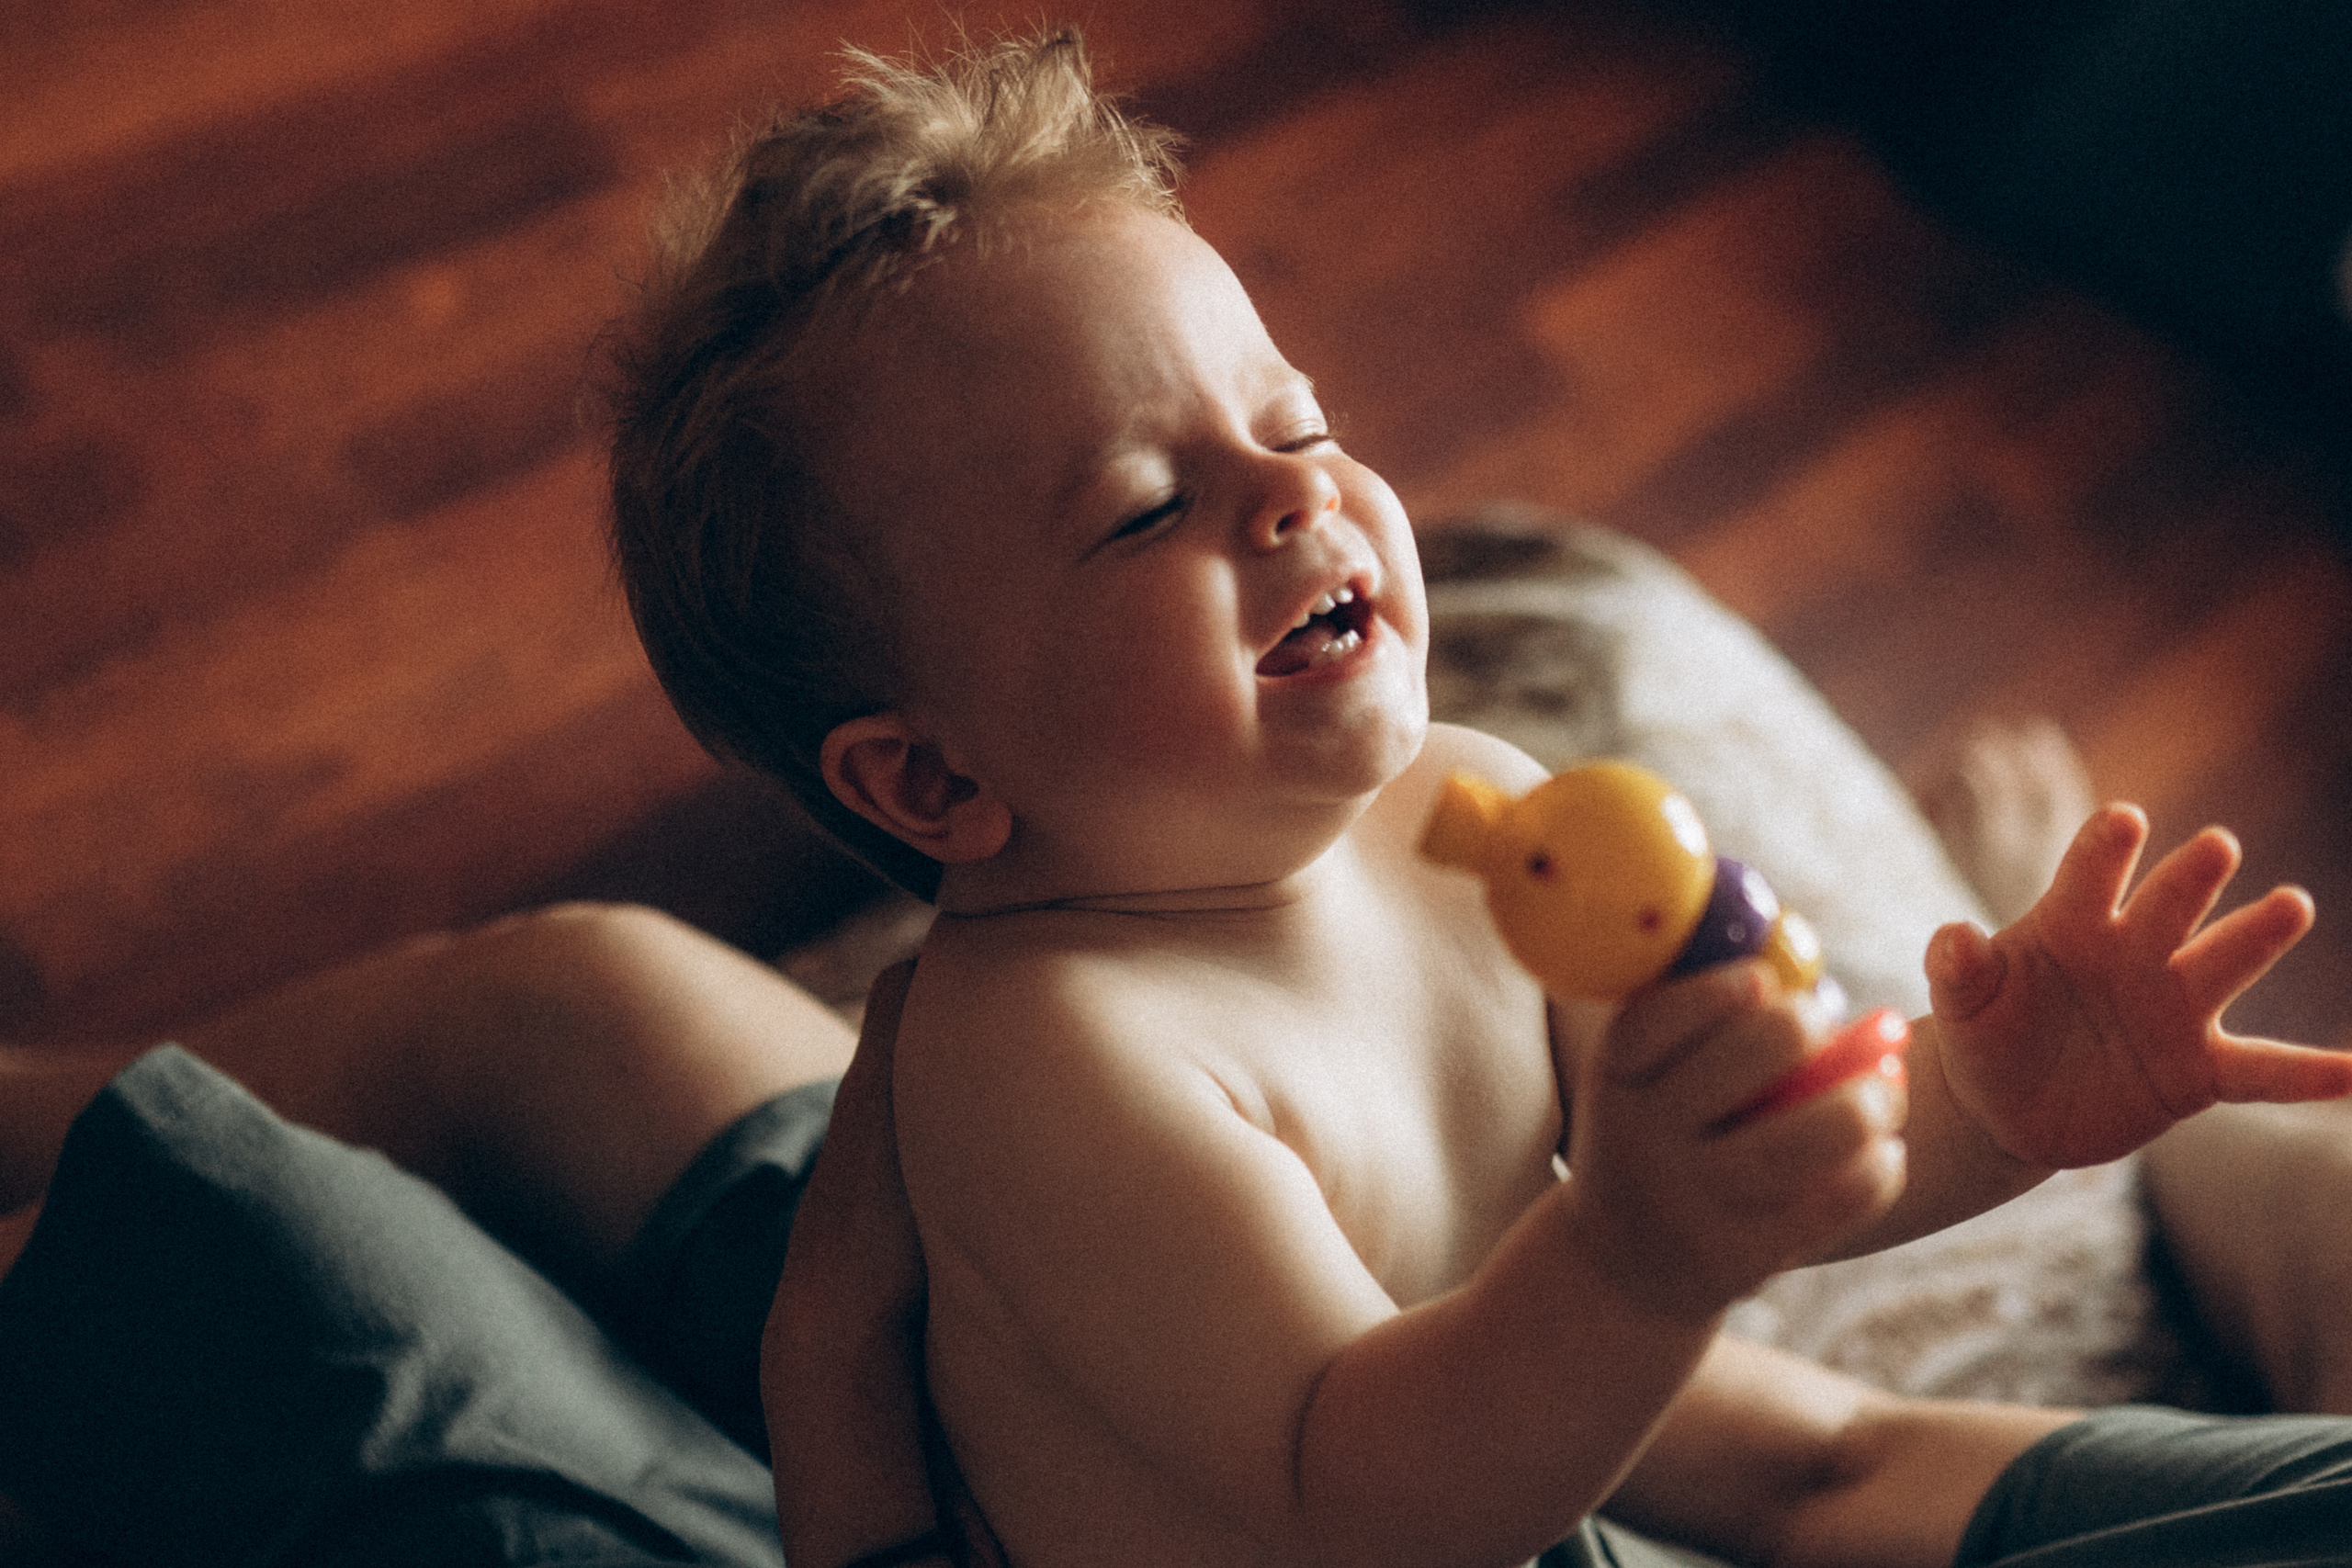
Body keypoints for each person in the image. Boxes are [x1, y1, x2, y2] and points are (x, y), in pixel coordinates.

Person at [594, 28, 2352, 1568]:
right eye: (1144, 506)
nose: (1297, 499)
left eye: (1295, 419)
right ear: (933, 776)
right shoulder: (1058, 1062)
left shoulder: (1490, 810)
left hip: (1526, 1485)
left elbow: (1776, 1155)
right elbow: (1362, 1490)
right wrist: (1640, 1260)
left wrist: (1973, 1096)